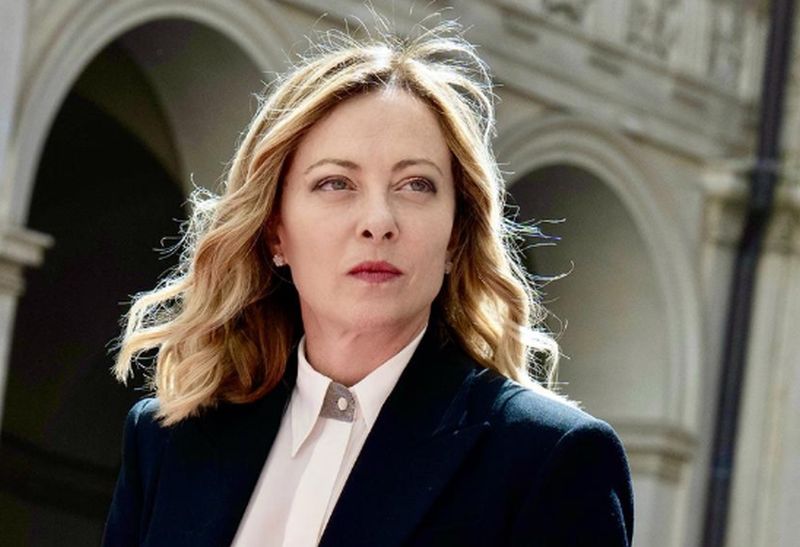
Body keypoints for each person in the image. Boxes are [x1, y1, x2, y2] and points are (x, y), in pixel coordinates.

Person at [103, 21, 633, 547]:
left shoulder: (548, 458)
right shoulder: (168, 441)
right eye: (336, 183)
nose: (379, 221)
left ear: (455, 236)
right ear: (274, 231)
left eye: (416, 185)